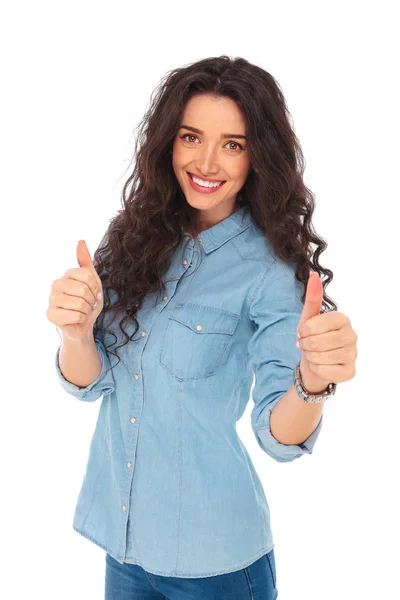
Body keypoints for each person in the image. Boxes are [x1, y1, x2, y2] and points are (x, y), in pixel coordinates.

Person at [47, 55, 358, 599]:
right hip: (124, 551)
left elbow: (278, 438)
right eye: (192, 136)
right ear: (169, 141)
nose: (207, 161)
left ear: (257, 157)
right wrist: (75, 332)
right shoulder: (131, 236)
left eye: (233, 144)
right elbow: (91, 384)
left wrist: (312, 382)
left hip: (218, 567)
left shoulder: (269, 273)